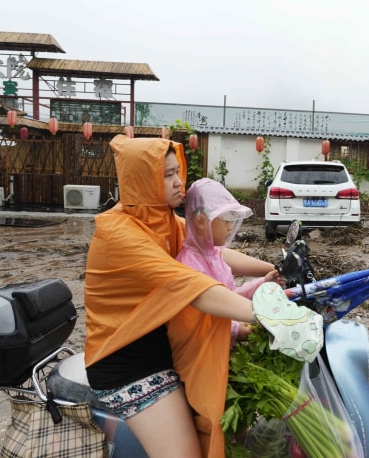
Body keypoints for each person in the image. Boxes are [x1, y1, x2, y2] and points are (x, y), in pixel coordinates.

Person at [83, 135, 281, 458]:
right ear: (143, 181)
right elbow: (193, 286)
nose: (179, 183)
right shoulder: (121, 236)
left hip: (163, 345)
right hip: (126, 361)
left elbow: (211, 251)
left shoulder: (160, 219)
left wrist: (270, 268)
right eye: (167, 175)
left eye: (178, 172)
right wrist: (266, 315)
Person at [175, 177, 281, 348]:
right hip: (203, 355)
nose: (231, 227)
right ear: (201, 221)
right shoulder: (188, 265)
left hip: (221, 347)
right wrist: (234, 330)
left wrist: (263, 282)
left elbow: (230, 298)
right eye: (226, 219)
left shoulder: (215, 256)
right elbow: (193, 321)